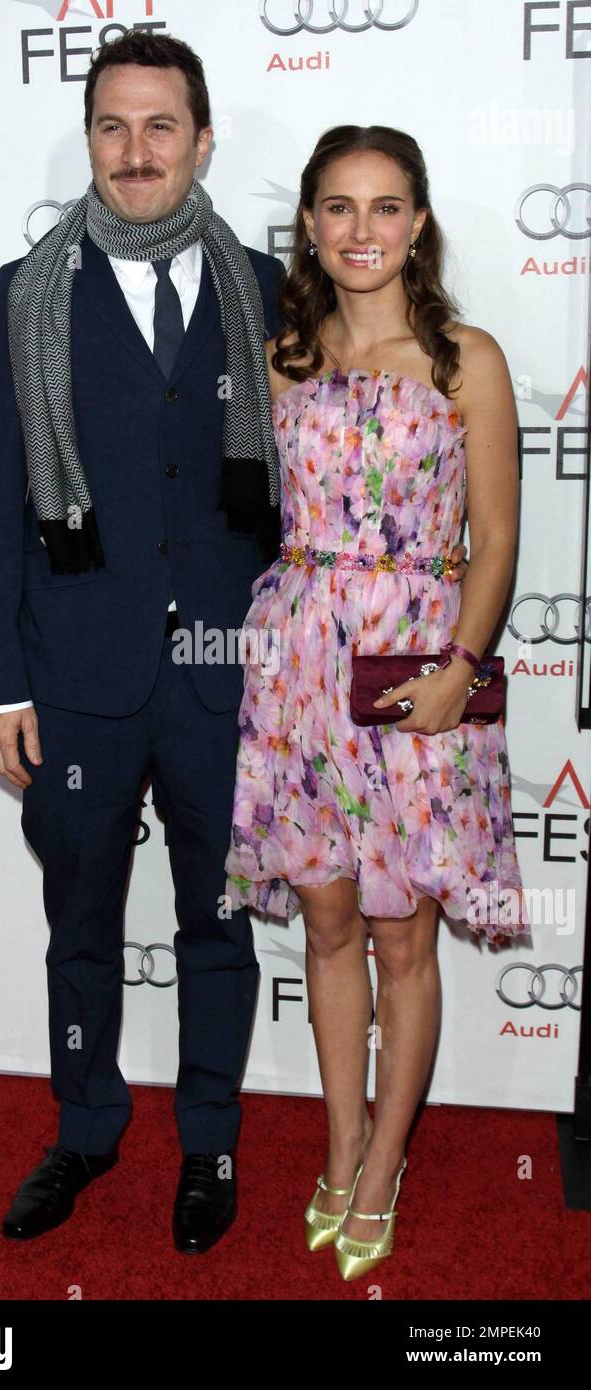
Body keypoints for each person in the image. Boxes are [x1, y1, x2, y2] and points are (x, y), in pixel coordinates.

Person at [0, 30, 288, 1255]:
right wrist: (0, 685)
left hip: (226, 677)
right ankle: (85, 1129)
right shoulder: (24, 293)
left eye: (161, 125)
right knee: (81, 929)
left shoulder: (266, 287)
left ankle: (209, 1138)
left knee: (218, 926)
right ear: (88, 139)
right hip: (77, 677)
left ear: (203, 140)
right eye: (113, 125)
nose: (136, 149)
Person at [224, 124, 531, 1281]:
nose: (363, 230)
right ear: (309, 223)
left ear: (418, 222)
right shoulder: (281, 359)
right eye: (340, 207)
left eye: (386, 206)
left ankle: (387, 1157)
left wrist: (459, 663)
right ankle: (342, 1137)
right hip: (302, 667)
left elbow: (495, 540)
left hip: (414, 674)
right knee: (330, 922)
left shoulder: (466, 359)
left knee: (405, 934)